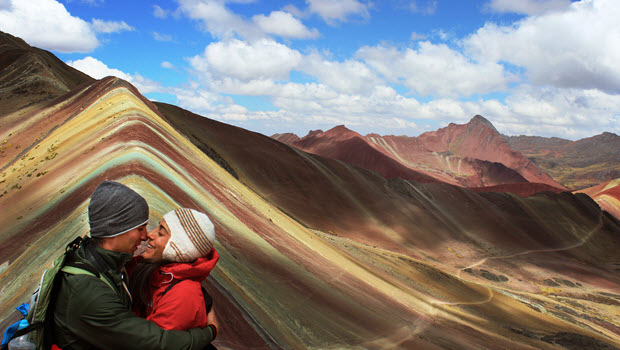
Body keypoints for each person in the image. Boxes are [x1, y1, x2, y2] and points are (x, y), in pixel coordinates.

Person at [52, 181, 217, 350]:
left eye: (159, 232)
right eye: (140, 229)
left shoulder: (103, 262)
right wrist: (210, 332)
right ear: (117, 229)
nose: (146, 236)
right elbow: (155, 343)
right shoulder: (88, 290)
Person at [128, 208, 219, 332]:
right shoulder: (152, 272)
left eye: (161, 233)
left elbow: (149, 342)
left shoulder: (183, 295)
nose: (150, 234)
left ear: (178, 248)